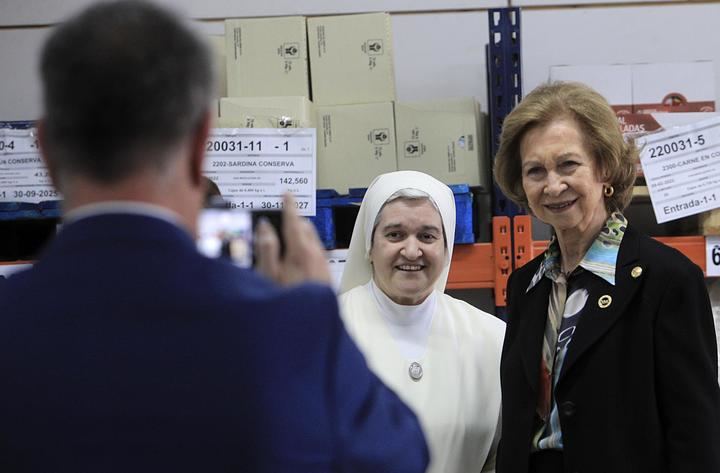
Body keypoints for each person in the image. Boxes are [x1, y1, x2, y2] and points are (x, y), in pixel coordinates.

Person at [0, 2, 429, 472]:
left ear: (44, 146)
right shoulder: (286, 330)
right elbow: (401, 456)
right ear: (201, 141)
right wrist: (314, 309)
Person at [493, 81, 720, 473]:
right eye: (535, 171)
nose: (553, 185)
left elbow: (696, 431)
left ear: (604, 167)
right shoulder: (526, 285)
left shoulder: (666, 279)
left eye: (568, 164)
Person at [338, 170, 505, 473]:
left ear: (446, 248)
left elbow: (502, 457)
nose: (412, 250)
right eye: (395, 234)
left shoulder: (492, 338)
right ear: (369, 246)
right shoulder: (325, 335)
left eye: (427, 236)